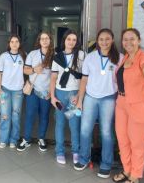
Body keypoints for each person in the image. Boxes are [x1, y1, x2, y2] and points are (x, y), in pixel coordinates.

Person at [113, 28, 144, 183]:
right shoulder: (125, 58)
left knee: (137, 144)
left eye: (132, 39)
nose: (128, 42)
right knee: (122, 140)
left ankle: (135, 176)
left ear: (139, 41)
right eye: (125, 39)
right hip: (121, 104)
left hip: (139, 107)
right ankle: (127, 170)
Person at [73, 28, 122, 178]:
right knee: (85, 129)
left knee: (106, 132)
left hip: (109, 98)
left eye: (107, 39)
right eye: (101, 39)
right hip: (91, 97)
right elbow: (84, 80)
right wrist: (80, 100)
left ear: (112, 40)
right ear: (97, 41)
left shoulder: (120, 58)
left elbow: (122, 81)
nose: (104, 42)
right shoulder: (90, 57)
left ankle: (106, 164)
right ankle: (83, 159)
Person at [50, 30, 84, 164]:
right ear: (64, 40)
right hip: (60, 93)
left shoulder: (81, 55)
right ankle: (60, 151)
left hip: (74, 95)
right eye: (69, 39)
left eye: (74, 40)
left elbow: (83, 78)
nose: (71, 42)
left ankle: (76, 151)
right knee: (60, 124)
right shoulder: (57, 56)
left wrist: (79, 95)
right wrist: (53, 97)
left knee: (75, 125)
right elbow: (53, 78)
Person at [17, 32, 54, 152]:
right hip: (33, 90)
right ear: (39, 41)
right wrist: (34, 69)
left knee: (44, 116)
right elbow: (25, 70)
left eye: (47, 38)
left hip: (46, 91)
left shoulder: (55, 55)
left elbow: (57, 76)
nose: (44, 40)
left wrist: (52, 91)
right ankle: (26, 139)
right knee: (29, 115)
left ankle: (41, 138)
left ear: (50, 40)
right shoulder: (33, 54)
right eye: (42, 38)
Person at [0, 35, 26, 149]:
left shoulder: (23, 55)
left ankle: (13, 139)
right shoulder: (3, 56)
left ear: (19, 43)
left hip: (18, 90)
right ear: (9, 44)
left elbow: (28, 71)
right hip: (5, 89)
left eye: (16, 41)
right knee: (4, 115)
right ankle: (3, 139)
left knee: (16, 115)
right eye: (12, 42)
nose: (14, 44)